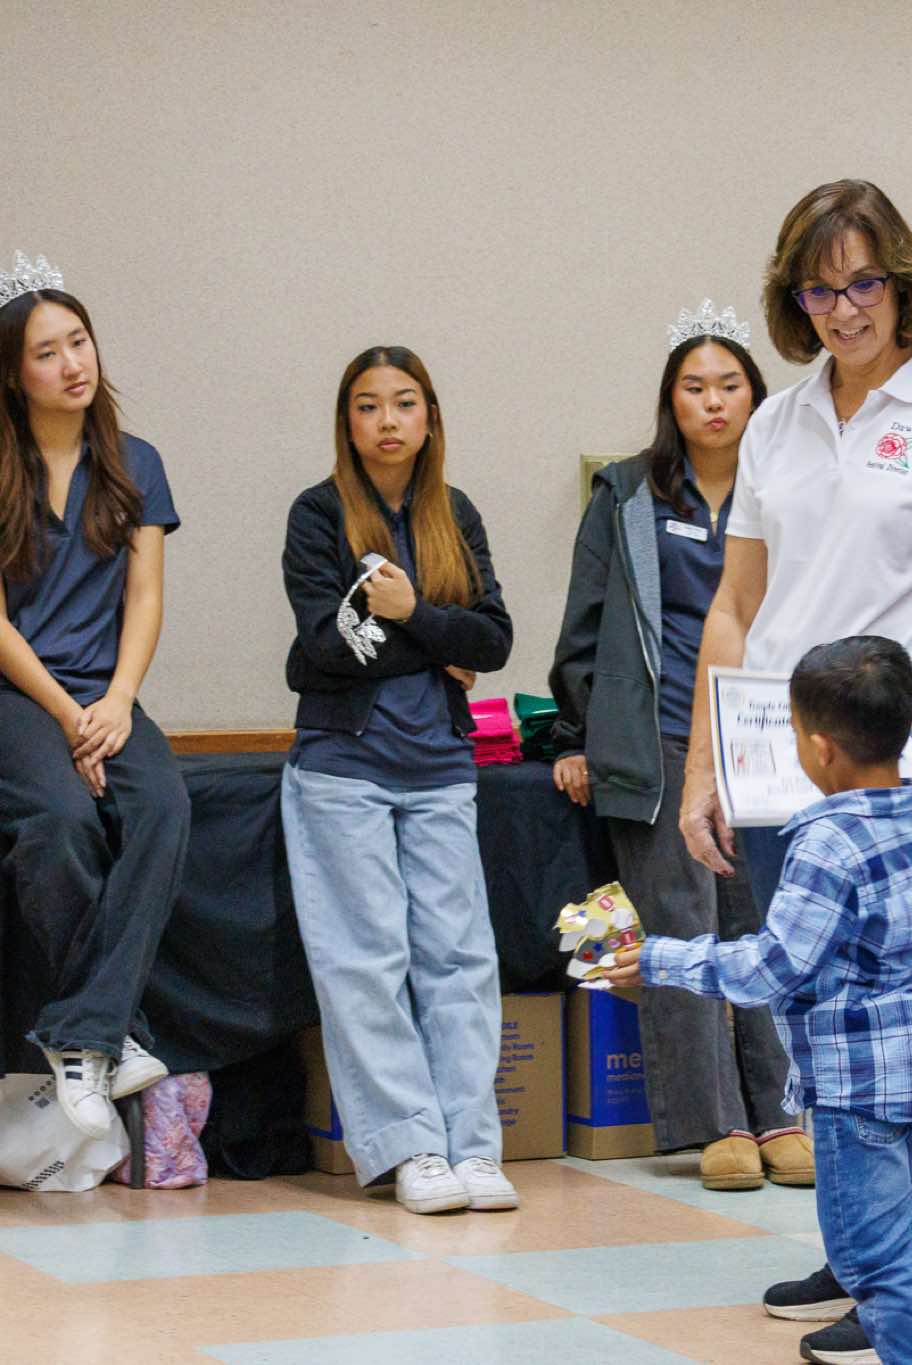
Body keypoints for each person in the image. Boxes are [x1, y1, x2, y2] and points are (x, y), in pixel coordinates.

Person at [677, 179, 912, 1361]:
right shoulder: (774, 426)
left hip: (911, 762)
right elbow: (734, 609)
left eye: (863, 283)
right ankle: (863, 1252)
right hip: (786, 763)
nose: (842, 309)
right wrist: (704, 769)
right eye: (817, 290)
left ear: (902, 282)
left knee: (909, 1033)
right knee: (820, 1025)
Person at [608, 636, 912, 1365]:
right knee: (900, 1239)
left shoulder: (826, 843)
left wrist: (662, 959)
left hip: (855, 1090)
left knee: (871, 1256)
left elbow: (773, 967)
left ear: (819, 748)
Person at [547, 301, 808, 1191]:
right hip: (658, 734)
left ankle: (781, 1112)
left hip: (763, 732)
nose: (714, 402)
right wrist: (577, 735)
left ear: (756, 395)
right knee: (680, 924)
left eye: (730, 385)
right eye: (695, 387)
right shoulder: (627, 493)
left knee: (764, 923)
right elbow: (585, 622)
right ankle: (714, 1123)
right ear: (671, 401)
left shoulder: (788, 484)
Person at [279, 345, 516, 1215]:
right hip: (342, 769)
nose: (388, 420)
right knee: (366, 961)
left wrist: (414, 611)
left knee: (460, 958)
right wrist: (440, 640)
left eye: (405, 402)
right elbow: (322, 650)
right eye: (369, 405)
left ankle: (473, 1145)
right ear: (348, 422)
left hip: (442, 767)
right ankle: (410, 1144)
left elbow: (494, 641)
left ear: (429, 417)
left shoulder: (457, 512)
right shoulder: (317, 515)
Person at [0, 252, 187, 1138]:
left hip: (104, 690)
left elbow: (145, 598)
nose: (73, 363)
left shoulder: (136, 461)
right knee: (62, 821)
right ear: (13, 373)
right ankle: (114, 1031)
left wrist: (116, 701)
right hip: (19, 690)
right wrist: (68, 716)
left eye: (79, 341)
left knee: (164, 806)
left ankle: (83, 1033)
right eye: (47, 352)